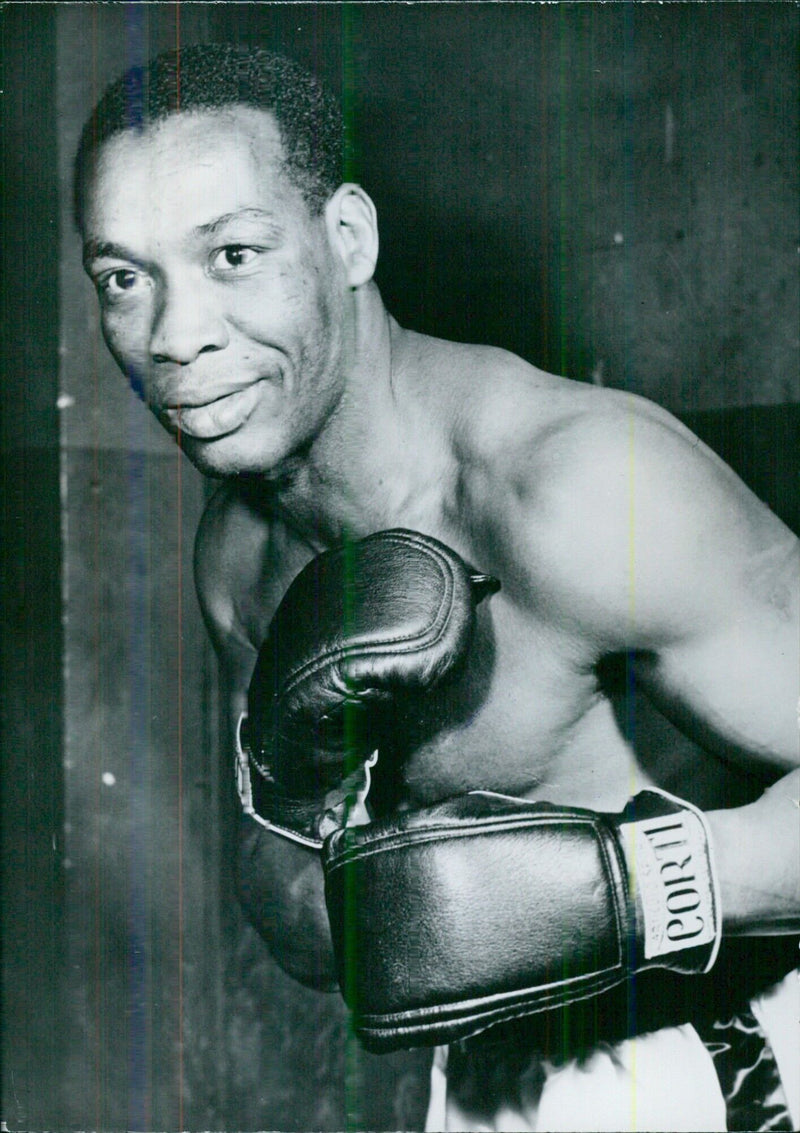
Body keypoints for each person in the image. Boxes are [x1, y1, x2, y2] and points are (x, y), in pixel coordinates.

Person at [75, 44, 799, 1131]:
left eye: (231, 254)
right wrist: (307, 806)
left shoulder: (579, 489)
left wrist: (624, 885)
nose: (174, 337)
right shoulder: (240, 555)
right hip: (482, 1087)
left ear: (347, 241)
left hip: (729, 1059)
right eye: (124, 279)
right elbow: (300, 925)